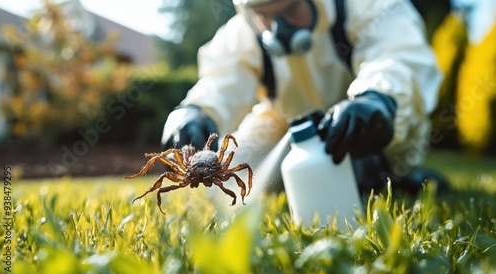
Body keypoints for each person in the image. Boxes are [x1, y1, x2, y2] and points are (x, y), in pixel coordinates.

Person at [160, 0, 449, 196]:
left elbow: (397, 56)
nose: (280, 30)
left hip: (359, 124)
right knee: (246, 157)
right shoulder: (244, 32)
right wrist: (196, 111)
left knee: (361, 176)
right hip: (290, 126)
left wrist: (377, 99)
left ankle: (392, 176)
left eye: (291, 9)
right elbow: (222, 81)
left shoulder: (368, 6)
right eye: (268, 16)